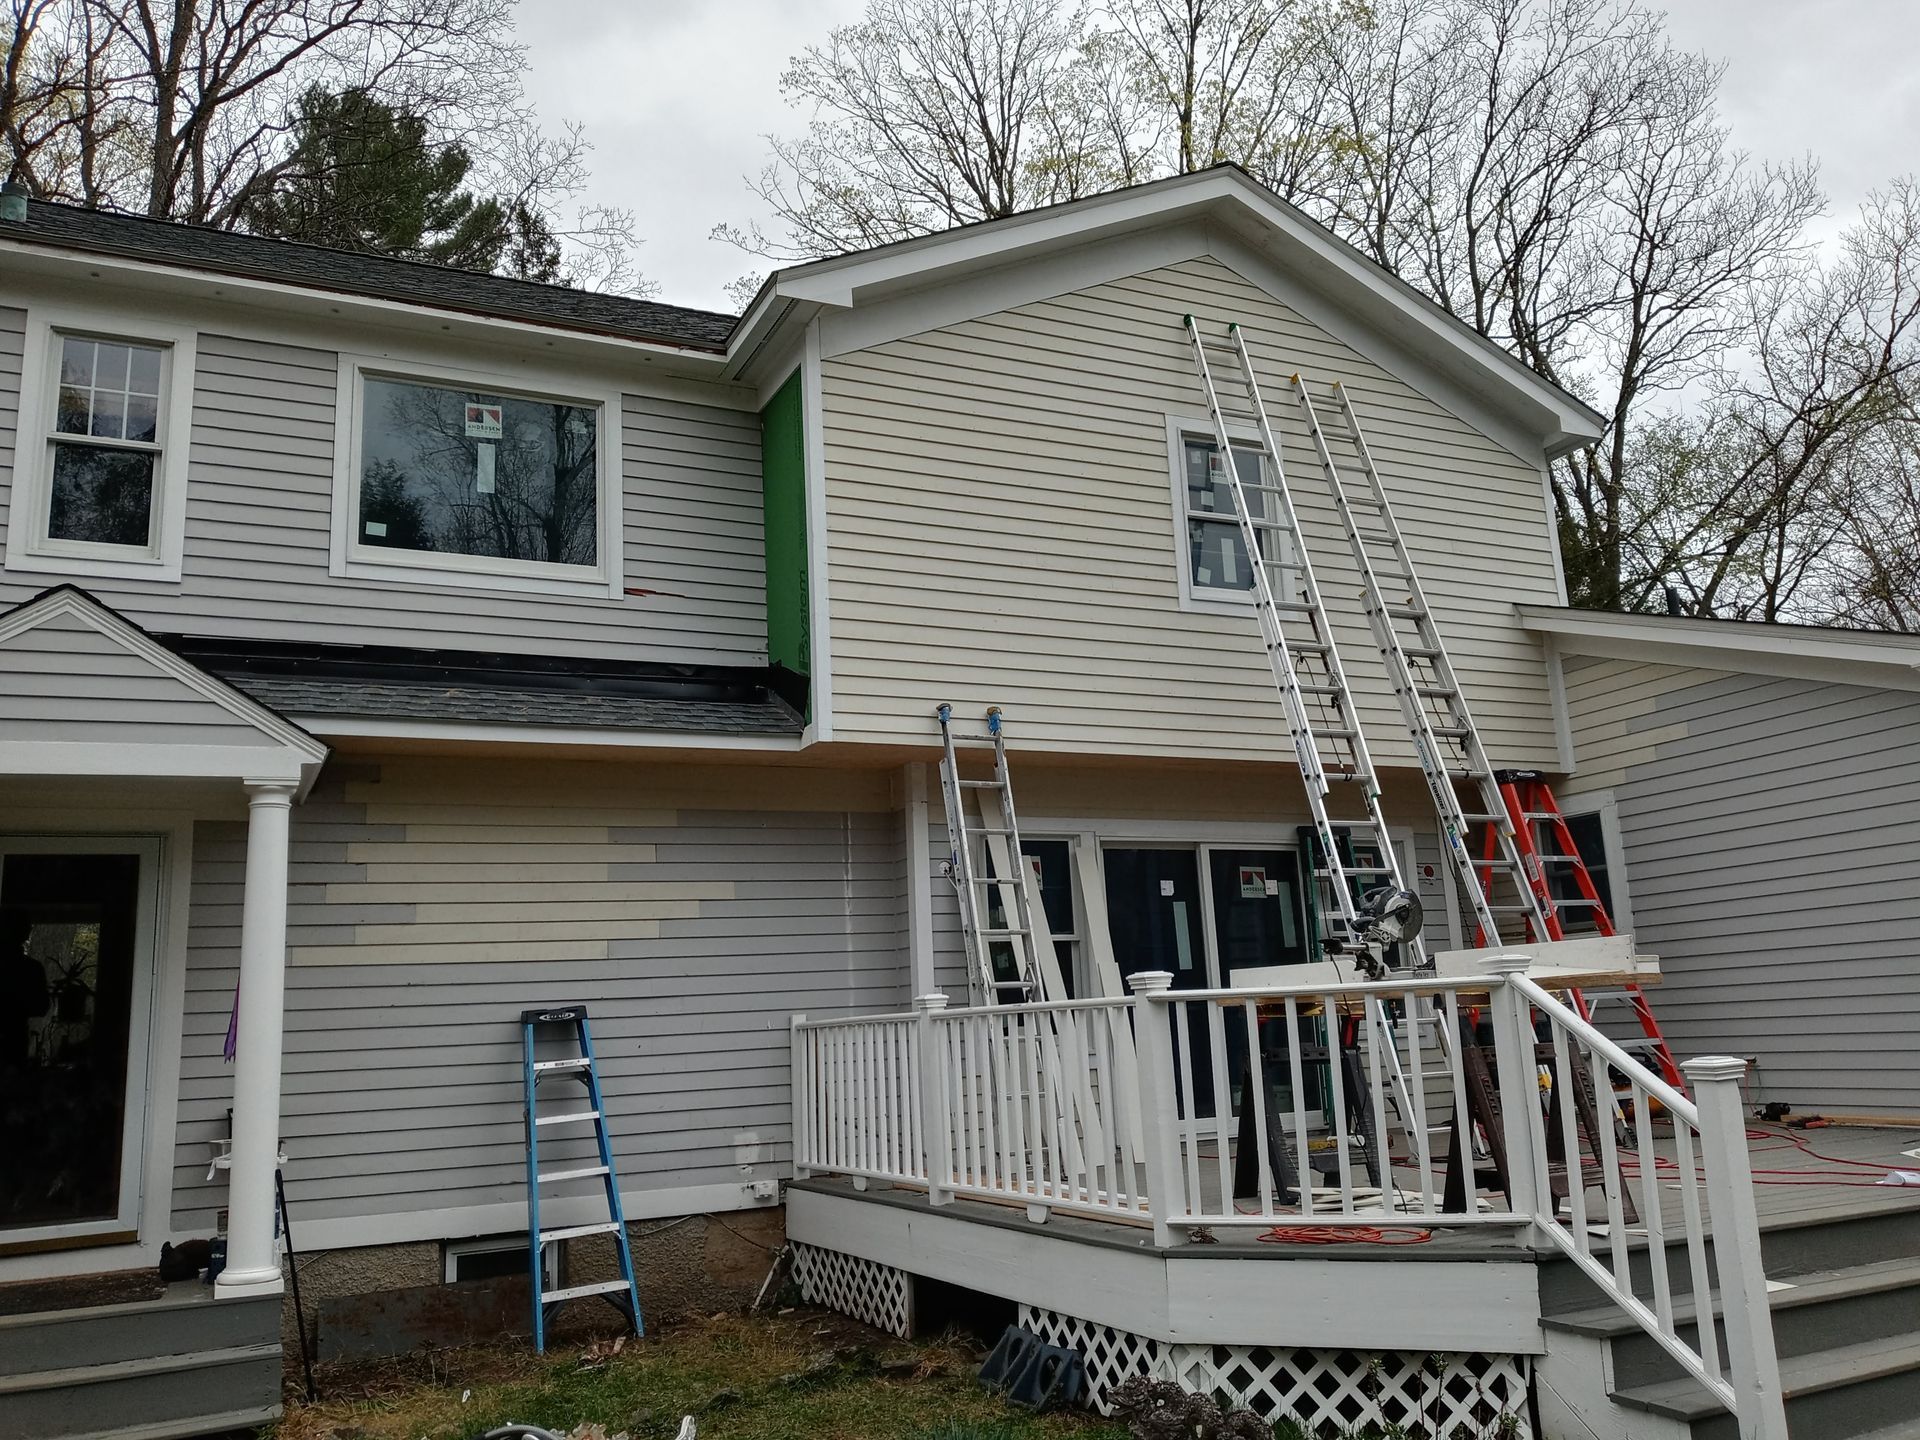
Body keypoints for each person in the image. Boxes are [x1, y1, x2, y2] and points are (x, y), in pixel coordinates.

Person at [1, 913, 50, 1071]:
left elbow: (42, 1007)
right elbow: (42, 1007)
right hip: (16, 1036)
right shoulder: (32, 968)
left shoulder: (33, 968)